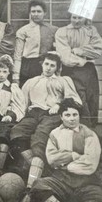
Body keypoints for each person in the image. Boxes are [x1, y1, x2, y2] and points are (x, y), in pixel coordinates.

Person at [26, 98, 102, 202]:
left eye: (75, 115)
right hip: (61, 180)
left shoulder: (89, 135)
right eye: (67, 115)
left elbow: (90, 163)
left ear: (79, 116)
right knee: (38, 186)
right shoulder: (55, 134)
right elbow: (52, 159)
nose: (71, 119)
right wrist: (73, 155)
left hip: (85, 181)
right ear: (61, 116)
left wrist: (67, 165)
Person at [10, 52, 82, 192]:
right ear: (42, 64)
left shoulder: (63, 80)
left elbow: (75, 100)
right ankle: (40, 168)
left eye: (52, 65)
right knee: (16, 133)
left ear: (57, 67)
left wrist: (59, 105)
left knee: (39, 139)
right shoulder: (32, 82)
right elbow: (22, 103)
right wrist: (17, 116)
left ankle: (30, 188)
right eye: (46, 64)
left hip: (50, 115)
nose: (48, 68)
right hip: (32, 114)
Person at [54, 14, 102, 127]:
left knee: (92, 98)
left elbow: (97, 51)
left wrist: (79, 51)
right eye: (74, 18)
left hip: (89, 70)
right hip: (71, 70)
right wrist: (84, 56)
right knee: (79, 99)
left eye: (79, 18)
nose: (76, 21)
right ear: (70, 18)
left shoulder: (91, 31)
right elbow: (65, 57)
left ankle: (91, 130)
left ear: (85, 18)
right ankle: (80, 128)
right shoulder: (62, 32)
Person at [12, 0, 58, 85]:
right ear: (30, 13)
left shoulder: (53, 30)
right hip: (27, 67)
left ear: (45, 13)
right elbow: (17, 56)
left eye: (39, 11)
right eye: (33, 11)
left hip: (46, 65)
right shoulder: (23, 31)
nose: (36, 14)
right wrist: (15, 76)